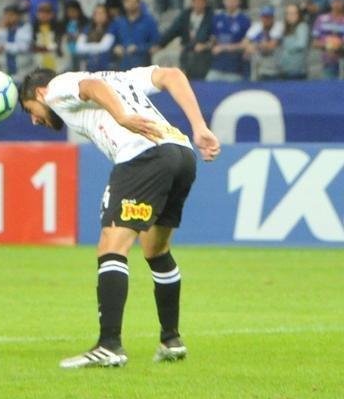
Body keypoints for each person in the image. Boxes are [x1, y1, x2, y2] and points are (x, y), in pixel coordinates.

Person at [18, 65, 220, 368]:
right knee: (156, 250)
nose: (34, 120)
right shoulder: (121, 77)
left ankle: (109, 344)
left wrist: (122, 117)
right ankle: (171, 340)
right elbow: (172, 75)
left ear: (39, 94)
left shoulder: (57, 88)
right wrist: (200, 126)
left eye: (30, 110)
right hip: (180, 153)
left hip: (142, 156)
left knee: (112, 245)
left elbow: (89, 87)